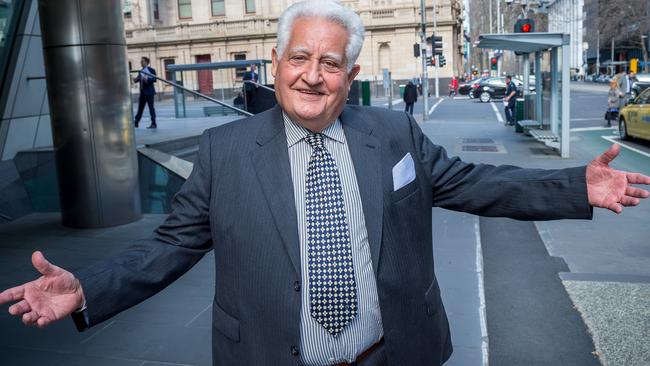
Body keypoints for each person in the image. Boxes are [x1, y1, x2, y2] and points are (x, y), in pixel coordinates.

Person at [2, 1, 650, 366]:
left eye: (330, 62)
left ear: (351, 73)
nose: (314, 75)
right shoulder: (224, 152)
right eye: (301, 58)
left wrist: (574, 187)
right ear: (277, 63)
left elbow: (477, 182)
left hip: (392, 356)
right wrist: (90, 287)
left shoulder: (395, 134)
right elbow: (169, 246)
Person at [133, 56, 157, 129]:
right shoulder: (141, 71)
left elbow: (154, 79)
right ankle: (136, 122)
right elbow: (138, 80)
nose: (141, 62)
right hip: (142, 92)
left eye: (142, 61)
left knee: (151, 108)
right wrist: (135, 79)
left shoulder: (151, 70)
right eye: (141, 61)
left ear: (146, 62)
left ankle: (153, 123)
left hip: (149, 92)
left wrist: (148, 78)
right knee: (140, 108)